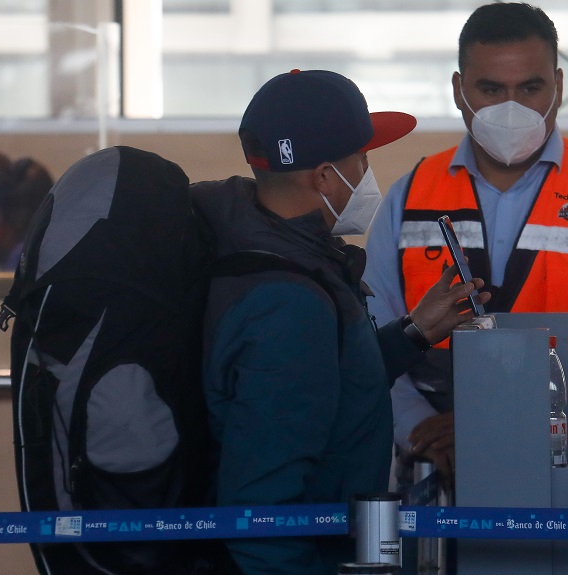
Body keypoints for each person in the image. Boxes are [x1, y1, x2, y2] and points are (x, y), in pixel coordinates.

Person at [190, 69, 491, 574]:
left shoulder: (282, 256)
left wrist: (412, 334)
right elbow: (263, 512)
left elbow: (327, 380)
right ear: (325, 177)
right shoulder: (287, 303)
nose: (369, 169)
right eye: (362, 158)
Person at [364, 2, 568, 487]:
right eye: (490, 89)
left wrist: (506, 420)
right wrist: (418, 427)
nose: (511, 107)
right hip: (435, 466)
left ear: (559, 87)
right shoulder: (409, 194)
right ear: (459, 90)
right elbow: (370, 345)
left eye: (530, 87)